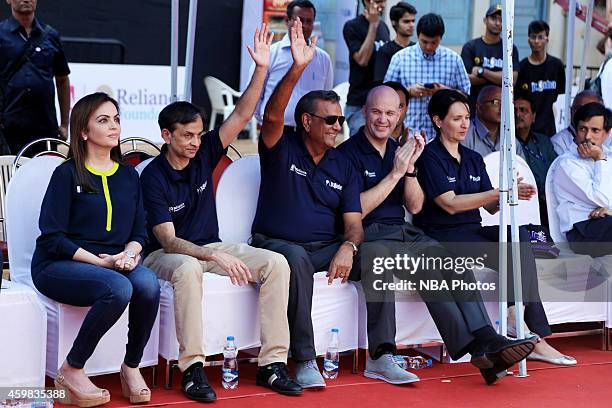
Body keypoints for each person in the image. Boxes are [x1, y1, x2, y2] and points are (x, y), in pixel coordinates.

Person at [141, 25, 302, 402]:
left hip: (210, 246)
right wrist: (213, 254)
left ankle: (272, 365)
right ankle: (193, 369)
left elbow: (244, 112)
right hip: (165, 256)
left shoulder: (206, 151)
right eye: (187, 136)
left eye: (199, 135)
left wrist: (261, 68)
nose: (196, 143)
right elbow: (166, 239)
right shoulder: (153, 176)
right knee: (188, 266)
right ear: (166, 136)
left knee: (277, 263)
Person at [337, 85, 539, 385]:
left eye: (390, 113)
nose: (383, 119)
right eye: (377, 112)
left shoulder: (399, 150)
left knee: (446, 260)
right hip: (367, 236)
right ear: (364, 111)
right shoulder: (346, 154)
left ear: (400, 114)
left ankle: (484, 341)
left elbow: (415, 205)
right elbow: (357, 212)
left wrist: (409, 170)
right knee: (379, 260)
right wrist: (395, 172)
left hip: (405, 232)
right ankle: (380, 357)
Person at [414, 89, 577, 367]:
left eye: (467, 118)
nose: (465, 124)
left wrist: (510, 192)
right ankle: (534, 336)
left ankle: (518, 318)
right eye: (456, 118)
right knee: (513, 247)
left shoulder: (473, 157)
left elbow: (490, 207)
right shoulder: (429, 156)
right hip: (443, 237)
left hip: (473, 232)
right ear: (438, 121)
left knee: (519, 237)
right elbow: (450, 203)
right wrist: (496, 193)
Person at [250, 20, 370, 389]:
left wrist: (349, 247)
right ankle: (304, 358)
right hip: (274, 244)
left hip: (325, 247)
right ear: (306, 121)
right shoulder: (282, 146)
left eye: (339, 120)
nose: (338, 126)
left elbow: (354, 223)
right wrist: (297, 68)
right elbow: (270, 116)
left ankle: (381, 353)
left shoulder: (343, 163)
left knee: (379, 254)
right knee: (297, 259)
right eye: (330, 120)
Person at [31, 93, 160, 407]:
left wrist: (129, 255)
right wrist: (101, 264)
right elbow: (52, 237)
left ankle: (131, 367)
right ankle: (72, 369)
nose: (114, 126)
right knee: (117, 288)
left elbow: (138, 232)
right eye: (103, 120)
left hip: (113, 260)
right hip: (59, 264)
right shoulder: (67, 174)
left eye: (116, 119)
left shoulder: (129, 175)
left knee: (148, 284)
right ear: (84, 131)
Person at [384, 13, 470, 142]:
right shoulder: (400, 58)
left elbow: (466, 96)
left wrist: (445, 92)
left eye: (434, 42)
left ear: (441, 38)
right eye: (424, 42)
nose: (428, 47)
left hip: (443, 137)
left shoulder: (454, 60)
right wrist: (409, 92)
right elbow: (385, 95)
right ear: (417, 36)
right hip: (407, 134)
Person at [0, 0, 70, 154]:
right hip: (8, 125)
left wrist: (65, 124)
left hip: (44, 125)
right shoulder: (1, 34)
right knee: (8, 174)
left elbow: (62, 80)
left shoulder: (51, 35)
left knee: (44, 174)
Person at [251, 1, 333, 131]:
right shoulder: (270, 54)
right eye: (299, 20)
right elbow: (253, 96)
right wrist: (266, 121)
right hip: (276, 130)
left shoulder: (323, 59)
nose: (304, 26)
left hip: (311, 134)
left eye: (309, 21)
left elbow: (327, 99)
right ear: (287, 20)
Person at [553, 102, 612, 257]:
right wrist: (599, 158)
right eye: (582, 129)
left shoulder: (609, 157)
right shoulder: (566, 164)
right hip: (582, 232)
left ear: (607, 133)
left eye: (595, 130)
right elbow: (602, 198)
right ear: (575, 131)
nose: (587, 136)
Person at [343, 0, 390, 135]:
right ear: (367, 2)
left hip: (380, 104)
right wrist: (373, 25)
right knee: (361, 149)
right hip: (359, 104)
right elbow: (362, 59)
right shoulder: (352, 26)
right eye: (378, 1)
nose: (382, 5)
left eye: (384, 1)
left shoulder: (384, 27)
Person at [461, 4, 519, 109]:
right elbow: (465, 79)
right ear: (485, 20)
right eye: (494, 18)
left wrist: (482, 72)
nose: (497, 23)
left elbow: (511, 80)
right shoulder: (470, 47)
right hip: (475, 106)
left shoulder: (510, 48)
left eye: (502, 20)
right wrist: (498, 77)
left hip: (501, 108)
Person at [515, 20, 565, 137]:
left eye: (540, 37)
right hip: (528, 130)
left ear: (547, 39)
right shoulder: (522, 67)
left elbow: (561, 96)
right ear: (528, 40)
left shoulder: (556, 65)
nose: (536, 41)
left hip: (551, 127)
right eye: (533, 37)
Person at [514, 91, 557, 225]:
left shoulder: (544, 142)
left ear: (533, 117)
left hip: (548, 203)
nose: (518, 114)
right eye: (514, 110)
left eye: (523, 110)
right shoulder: (506, 143)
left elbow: (555, 172)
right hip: (522, 203)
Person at [462, 85, 525, 159]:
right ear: (479, 107)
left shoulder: (510, 139)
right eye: (496, 102)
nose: (502, 108)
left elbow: (521, 168)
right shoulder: (465, 135)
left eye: (505, 103)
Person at [550, 90, 610, 155]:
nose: (583, 113)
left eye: (590, 109)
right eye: (578, 108)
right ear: (571, 111)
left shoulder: (609, 136)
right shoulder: (558, 142)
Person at [373, 2, 416, 82]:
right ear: (394, 23)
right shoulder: (385, 51)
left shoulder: (417, 49)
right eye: (406, 21)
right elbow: (380, 83)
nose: (411, 25)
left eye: (413, 21)